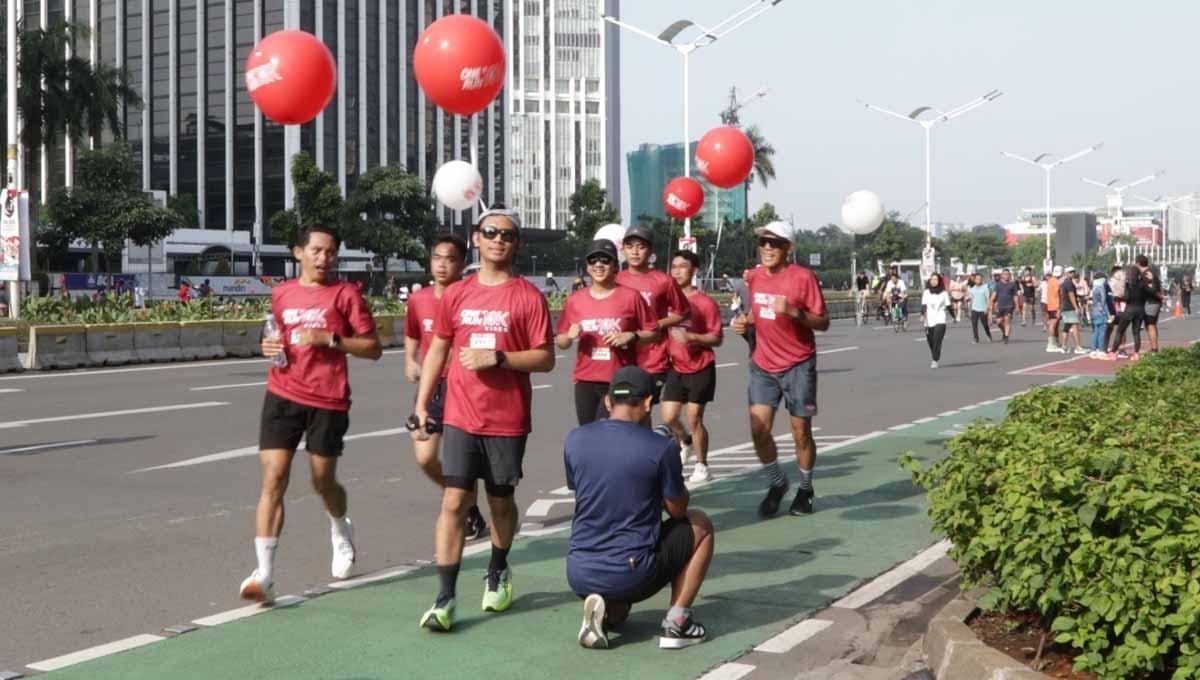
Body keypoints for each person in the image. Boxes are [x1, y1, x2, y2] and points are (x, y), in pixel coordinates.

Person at [413, 208, 555, 631]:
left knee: (499, 501)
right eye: (490, 232)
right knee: (454, 499)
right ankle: (445, 596)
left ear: (517, 244)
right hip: (459, 413)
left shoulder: (528, 296)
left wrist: (499, 358)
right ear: (476, 238)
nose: (498, 240)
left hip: (507, 418)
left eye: (507, 235)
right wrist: (422, 404)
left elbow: (545, 358)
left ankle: (497, 567)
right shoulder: (456, 293)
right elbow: (438, 348)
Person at [240, 225, 382, 604]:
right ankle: (265, 574)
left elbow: (373, 348)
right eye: (317, 251)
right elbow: (277, 337)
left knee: (323, 481)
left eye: (331, 252)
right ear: (298, 253)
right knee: (274, 478)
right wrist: (269, 344)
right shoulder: (281, 293)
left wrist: (331, 339)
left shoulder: (346, 295)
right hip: (282, 393)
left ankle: (340, 528)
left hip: (328, 399)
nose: (324, 258)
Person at [565, 366, 714, 650]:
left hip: (579, 570)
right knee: (701, 523)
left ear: (608, 402)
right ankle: (678, 623)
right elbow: (678, 509)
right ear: (648, 403)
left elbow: (582, 489)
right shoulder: (660, 448)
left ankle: (604, 612)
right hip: (631, 569)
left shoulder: (575, 439)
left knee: (621, 614)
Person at [729, 220, 829, 518]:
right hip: (763, 364)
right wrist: (744, 321)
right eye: (763, 243)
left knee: (800, 433)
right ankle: (777, 483)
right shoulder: (755, 277)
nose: (767, 248)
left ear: (789, 247)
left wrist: (794, 312)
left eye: (774, 243)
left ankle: (806, 488)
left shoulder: (803, 278)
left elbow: (822, 322)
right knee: (759, 430)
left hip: (798, 364)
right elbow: (756, 312)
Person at [404, 234, 488, 541]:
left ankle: (467, 511)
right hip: (431, 384)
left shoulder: (472, 297)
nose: (442, 265)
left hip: (463, 385)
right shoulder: (419, 299)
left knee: (462, 457)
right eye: (437, 258)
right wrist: (410, 359)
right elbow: (413, 331)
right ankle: (467, 504)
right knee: (425, 458)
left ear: (462, 263)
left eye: (450, 259)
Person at [556, 239, 657, 425]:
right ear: (587, 267)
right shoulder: (575, 300)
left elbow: (653, 333)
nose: (599, 265)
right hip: (585, 380)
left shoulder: (631, 297)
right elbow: (561, 341)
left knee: (613, 433)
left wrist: (632, 336)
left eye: (605, 260)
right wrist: (569, 338)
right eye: (593, 261)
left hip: (619, 380)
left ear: (615, 266)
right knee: (589, 435)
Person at [616, 225, 691, 425]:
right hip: (621, 355)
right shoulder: (616, 279)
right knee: (624, 413)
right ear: (623, 249)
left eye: (640, 247)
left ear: (650, 252)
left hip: (652, 357)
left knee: (640, 410)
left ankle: (646, 451)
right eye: (630, 246)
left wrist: (656, 324)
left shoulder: (663, 281)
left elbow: (683, 312)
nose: (634, 251)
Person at [661, 251, 724, 482]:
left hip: (700, 366)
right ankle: (685, 441)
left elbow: (717, 338)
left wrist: (692, 338)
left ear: (694, 270)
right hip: (675, 368)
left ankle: (702, 465)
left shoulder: (705, 303)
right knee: (668, 417)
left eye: (683, 266)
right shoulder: (666, 302)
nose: (677, 271)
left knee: (694, 418)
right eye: (674, 266)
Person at [1107, 256, 1150, 361]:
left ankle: (1113, 353)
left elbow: (1126, 298)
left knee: (1120, 331)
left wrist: (1116, 297)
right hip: (1140, 310)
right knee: (1136, 332)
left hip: (1130, 309)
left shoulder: (1129, 285)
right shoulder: (1143, 284)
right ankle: (1136, 354)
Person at [922, 273, 950, 369]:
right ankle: (935, 354)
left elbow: (948, 305)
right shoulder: (926, 292)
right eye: (932, 279)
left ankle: (935, 359)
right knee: (931, 341)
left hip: (940, 319)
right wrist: (922, 314)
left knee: (937, 339)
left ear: (939, 281)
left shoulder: (944, 293)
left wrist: (954, 316)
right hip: (929, 320)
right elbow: (924, 305)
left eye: (936, 279)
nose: (934, 281)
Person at [1056, 266, 1086, 354]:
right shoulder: (1069, 283)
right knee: (1075, 326)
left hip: (1065, 307)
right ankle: (1078, 347)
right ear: (1066, 273)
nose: (1072, 273)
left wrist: (1060, 308)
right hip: (1070, 307)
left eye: (1073, 272)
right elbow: (1071, 295)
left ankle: (1064, 346)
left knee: (1066, 327)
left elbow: (1061, 296)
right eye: (1070, 272)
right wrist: (1076, 307)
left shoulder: (1064, 283)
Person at [989, 269, 1020, 344]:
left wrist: (1017, 306)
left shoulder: (1012, 284)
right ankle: (1004, 331)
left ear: (1009, 275)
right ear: (1002, 275)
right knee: (999, 322)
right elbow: (993, 296)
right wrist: (991, 304)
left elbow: (1015, 296)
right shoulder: (998, 285)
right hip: (1000, 306)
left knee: (1007, 320)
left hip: (1009, 306)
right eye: (1004, 274)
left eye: (1007, 274)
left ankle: (1006, 337)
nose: (1006, 275)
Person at [1088, 272, 1112, 358]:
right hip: (1102, 312)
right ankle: (1101, 350)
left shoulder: (1094, 288)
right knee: (1102, 332)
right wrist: (1108, 314)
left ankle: (1093, 349)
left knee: (1096, 332)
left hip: (1094, 312)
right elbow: (1103, 302)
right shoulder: (1101, 288)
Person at [1142, 267, 1165, 353]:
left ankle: (1154, 349)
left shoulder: (1149, 277)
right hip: (1154, 303)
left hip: (1151, 303)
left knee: (1150, 325)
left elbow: (1153, 290)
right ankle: (1154, 347)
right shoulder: (1155, 278)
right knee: (1151, 325)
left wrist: (1160, 296)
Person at [1105, 264, 1127, 354]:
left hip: (1119, 305)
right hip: (1115, 305)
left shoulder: (1122, 280)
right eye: (1115, 269)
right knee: (1112, 327)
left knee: (1119, 328)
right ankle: (1106, 347)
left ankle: (1120, 348)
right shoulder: (1111, 280)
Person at [967, 274, 992, 343]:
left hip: (983, 309)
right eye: (977, 279)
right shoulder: (972, 289)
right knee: (974, 324)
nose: (979, 280)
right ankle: (976, 338)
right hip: (974, 309)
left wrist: (987, 309)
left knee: (985, 325)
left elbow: (988, 299)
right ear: (974, 280)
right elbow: (971, 300)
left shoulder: (985, 288)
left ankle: (988, 335)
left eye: (980, 279)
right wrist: (969, 310)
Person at [1044, 266, 1063, 352]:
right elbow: (1056, 295)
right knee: (1053, 324)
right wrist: (1059, 308)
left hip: (1050, 305)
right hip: (1055, 306)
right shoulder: (1056, 282)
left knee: (1055, 324)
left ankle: (1055, 342)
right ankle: (1051, 344)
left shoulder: (1050, 281)